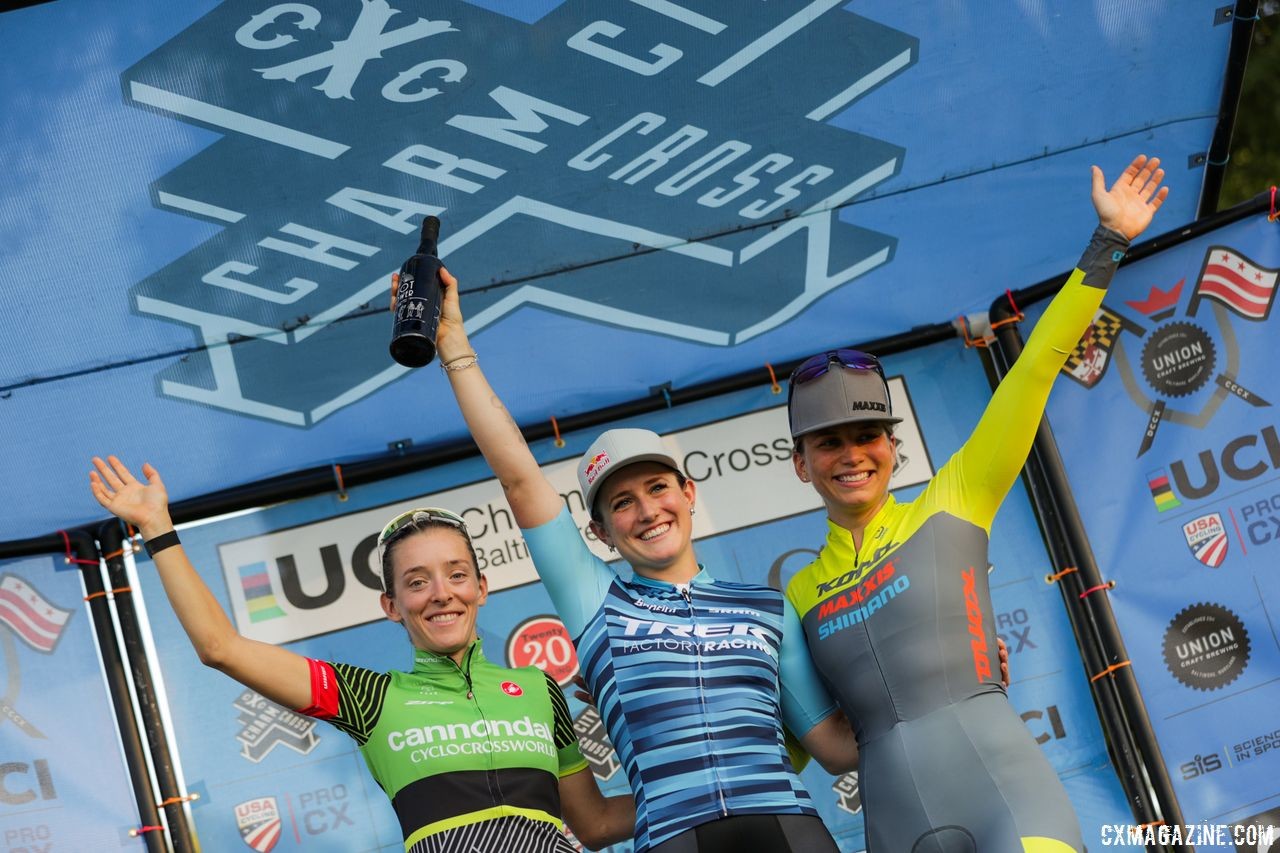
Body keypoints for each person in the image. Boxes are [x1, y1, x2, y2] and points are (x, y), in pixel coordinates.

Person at [784, 154, 1169, 852]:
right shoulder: (797, 593)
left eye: (868, 435)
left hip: (1006, 796)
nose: (852, 455)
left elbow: (1034, 369)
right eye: (829, 441)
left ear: (893, 446)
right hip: (896, 826)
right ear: (799, 462)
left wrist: (1108, 242)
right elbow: (799, 745)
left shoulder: (953, 499)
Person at [419, 276, 861, 853]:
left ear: (689, 492)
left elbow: (834, 748)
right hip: (672, 838)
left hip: (789, 828)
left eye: (657, 487)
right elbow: (519, 476)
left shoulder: (767, 609)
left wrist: (958, 677)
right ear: (600, 531)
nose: (648, 511)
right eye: (622, 502)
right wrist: (453, 344)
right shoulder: (597, 602)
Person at [88, 457, 634, 853]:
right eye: (417, 583)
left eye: (457, 574)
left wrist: (712, 786)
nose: (441, 593)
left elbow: (598, 825)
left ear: (482, 588)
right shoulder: (372, 697)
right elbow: (220, 648)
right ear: (391, 606)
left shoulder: (538, 690)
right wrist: (158, 529)